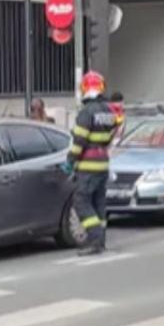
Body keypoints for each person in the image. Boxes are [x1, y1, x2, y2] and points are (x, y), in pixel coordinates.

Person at [64, 71, 122, 256]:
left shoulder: (86, 112)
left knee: (81, 202)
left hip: (88, 165)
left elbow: (79, 141)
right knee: (98, 202)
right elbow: (110, 137)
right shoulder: (109, 111)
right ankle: (101, 240)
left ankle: (95, 239)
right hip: (103, 163)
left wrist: (70, 161)